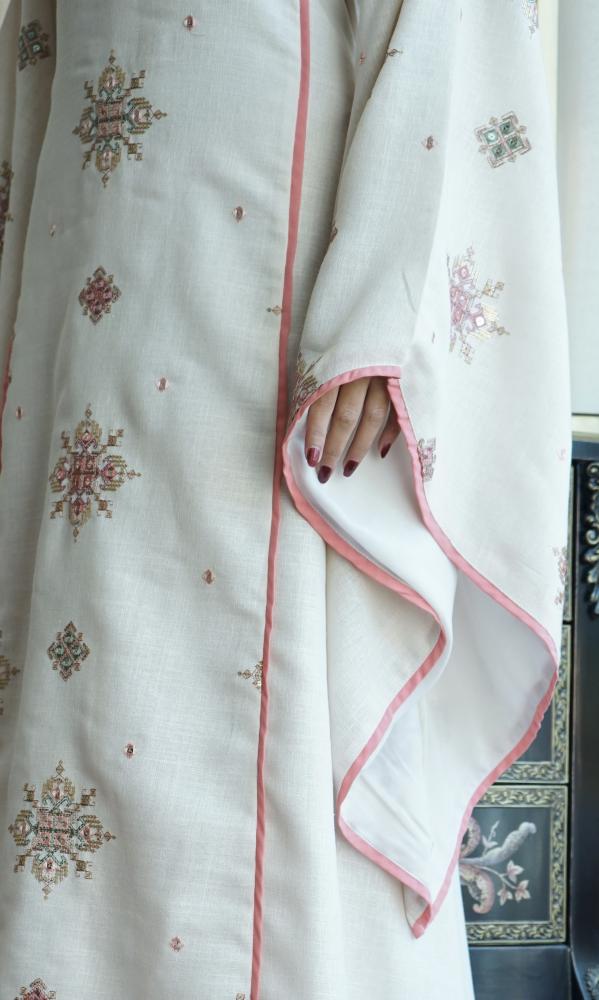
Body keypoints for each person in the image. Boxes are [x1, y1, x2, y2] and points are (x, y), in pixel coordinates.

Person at [0, 1, 570, 997]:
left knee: (253, 701)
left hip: (266, 274)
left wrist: (380, 309)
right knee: (77, 666)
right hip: (86, 267)